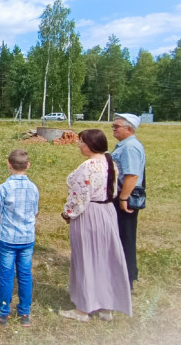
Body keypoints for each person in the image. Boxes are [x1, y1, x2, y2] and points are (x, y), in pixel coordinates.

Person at [59, 129, 132, 322]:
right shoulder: (110, 164)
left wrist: (68, 212)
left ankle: (83, 309)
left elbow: (80, 196)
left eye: (81, 141)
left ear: (90, 144)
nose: (79, 145)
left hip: (89, 214)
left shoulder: (89, 166)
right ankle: (106, 306)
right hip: (107, 212)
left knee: (86, 259)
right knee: (105, 259)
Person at [0, 149, 39, 327]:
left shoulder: (3, 188)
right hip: (26, 237)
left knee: (6, 275)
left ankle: (3, 312)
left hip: (8, 238)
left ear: (9, 165)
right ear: (28, 165)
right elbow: (35, 212)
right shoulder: (33, 188)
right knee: (25, 274)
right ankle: (25, 312)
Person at [112, 113, 146, 290]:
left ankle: (127, 279)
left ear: (129, 129)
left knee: (125, 237)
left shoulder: (129, 148)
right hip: (122, 196)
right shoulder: (126, 145)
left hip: (125, 198)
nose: (113, 129)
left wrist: (123, 198)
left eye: (116, 126)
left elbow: (132, 176)